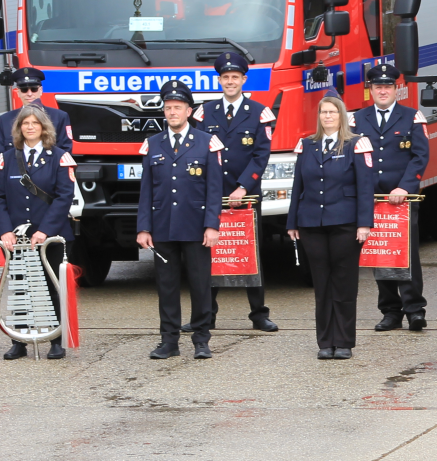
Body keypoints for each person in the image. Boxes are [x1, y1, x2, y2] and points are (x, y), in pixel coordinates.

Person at [137, 80, 224, 360]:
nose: (172, 112)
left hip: (196, 227)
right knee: (167, 286)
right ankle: (169, 341)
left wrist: (212, 225)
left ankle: (201, 339)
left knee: (200, 285)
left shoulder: (206, 142)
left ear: (189, 111)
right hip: (163, 228)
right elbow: (146, 190)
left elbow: (214, 189)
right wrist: (143, 227)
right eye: (168, 108)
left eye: (178, 107)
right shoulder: (153, 144)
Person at [191, 52, 278, 332]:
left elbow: (261, 155)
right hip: (213, 195)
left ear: (244, 79)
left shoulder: (260, 113)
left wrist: (244, 186)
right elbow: (199, 152)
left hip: (246, 194)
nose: (230, 82)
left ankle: (259, 314)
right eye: (225, 78)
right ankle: (206, 314)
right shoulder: (204, 112)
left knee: (249, 252)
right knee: (211, 253)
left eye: (235, 77)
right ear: (219, 80)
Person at [288, 92, 375, 360]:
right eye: (324, 112)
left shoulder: (355, 144)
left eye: (332, 112)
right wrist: (293, 221)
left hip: (345, 224)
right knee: (322, 283)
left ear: (342, 116)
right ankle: (325, 341)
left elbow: (365, 187)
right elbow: (297, 187)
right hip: (312, 224)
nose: (327, 116)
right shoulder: (307, 145)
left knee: (344, 283)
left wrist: (364, 224)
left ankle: (344, 341)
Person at [0, 105, 77, 360]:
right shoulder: (6, 158)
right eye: (24, 123)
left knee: (53, 286)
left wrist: (44, 231)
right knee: (19, 287)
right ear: (18, 129)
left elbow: (64, 197)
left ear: (43, 128)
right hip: (17, 238)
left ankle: (56, 340)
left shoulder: (59, 157)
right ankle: (19, 340)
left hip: (51, 236)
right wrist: (5, 231)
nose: (29, 127)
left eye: (34, 123)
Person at [353, 64, 431, 333]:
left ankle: (414, 310)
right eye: (377, 86)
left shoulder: (412, 116)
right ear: (370, 90)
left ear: (396, 88)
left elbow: (420, 156)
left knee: (406, 255)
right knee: (380, 254)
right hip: (371, 199)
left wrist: (405, 188)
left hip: (402, 199)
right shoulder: (357, 119)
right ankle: (390, 311)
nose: (383, 90)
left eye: (387, 86)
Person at [0, 67, 72, 154]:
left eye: (34, 89)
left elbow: (65, 151)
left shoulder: (59, 117)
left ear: (41, 91)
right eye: (24, 90)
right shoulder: (5, 119)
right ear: (18, 93)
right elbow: (0, 154)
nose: (29, 94)